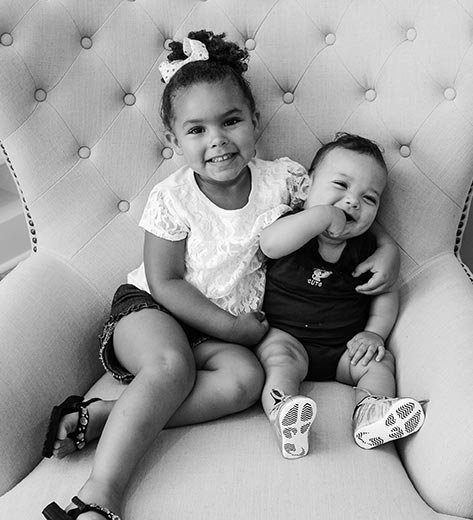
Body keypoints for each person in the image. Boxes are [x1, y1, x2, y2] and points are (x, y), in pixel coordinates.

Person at [41, 32, 399, 519]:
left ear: (255, 122)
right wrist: (232, 328)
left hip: (220, 334)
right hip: (152, 310)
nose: (218, 140)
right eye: (196, 130)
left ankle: (105, 417)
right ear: (172, 140)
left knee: (245, 381)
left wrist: (387, 248)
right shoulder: (173, 198)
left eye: (231, 121)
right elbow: (164, 281)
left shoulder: (285, 179)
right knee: (171, 366)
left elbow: (338, 213)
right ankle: (98, 494)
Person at [256, 133, 425, 459]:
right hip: (286, 337)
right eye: (341, 185)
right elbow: (269, 245)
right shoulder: (292, 226)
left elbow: (384, 292)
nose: (353, 201)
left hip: (345, 348)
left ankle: (370, 413)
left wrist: (374, 333)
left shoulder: (369, 250)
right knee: (279, 360)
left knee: (379, 361)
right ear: (307, 188)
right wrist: (319, 215)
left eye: (369, 198)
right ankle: (285, 413)